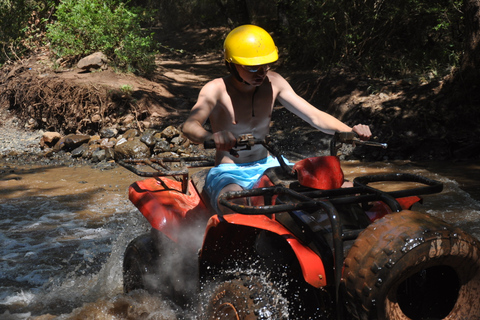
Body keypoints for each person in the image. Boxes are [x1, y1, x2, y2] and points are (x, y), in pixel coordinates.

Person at [183, 24, 371, 214]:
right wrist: (211, 137)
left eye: (266, 64)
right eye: (253, 67)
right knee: (232, 201)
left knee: (342, 189)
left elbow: (314, 116)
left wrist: (350, 131)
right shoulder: (215, 89)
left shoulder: (275, 82)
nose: (262, 72)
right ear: (231, 64)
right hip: (230, 171)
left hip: (270, 164)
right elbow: (189, 125)